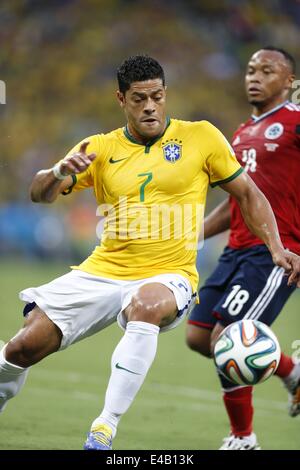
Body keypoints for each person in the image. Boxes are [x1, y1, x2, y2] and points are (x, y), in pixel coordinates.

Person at [0, 55, 299, 451]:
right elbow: (39, 194)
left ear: (165, 94)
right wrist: (56, 174)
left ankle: (103, 429)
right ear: (121, 99)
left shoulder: (202, 137)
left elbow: (248, 194)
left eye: (157, 96)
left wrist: (276, 247)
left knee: (146, 303)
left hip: (168, 275)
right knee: (21, 348)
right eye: (139, 98)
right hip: (102, 270)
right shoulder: (100, 147)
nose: (150, 107)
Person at [187, 46, 300, 450]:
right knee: (198, 337)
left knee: (227, 337)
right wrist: (195, 233)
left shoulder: (295, 122)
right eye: (251, 69)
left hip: (277, 254)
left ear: (289, 81)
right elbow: (240, 198)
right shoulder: (240, 132)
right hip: (236, 249)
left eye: (267, 71)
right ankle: (291, 371)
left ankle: (243, 438)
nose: (254, 76)